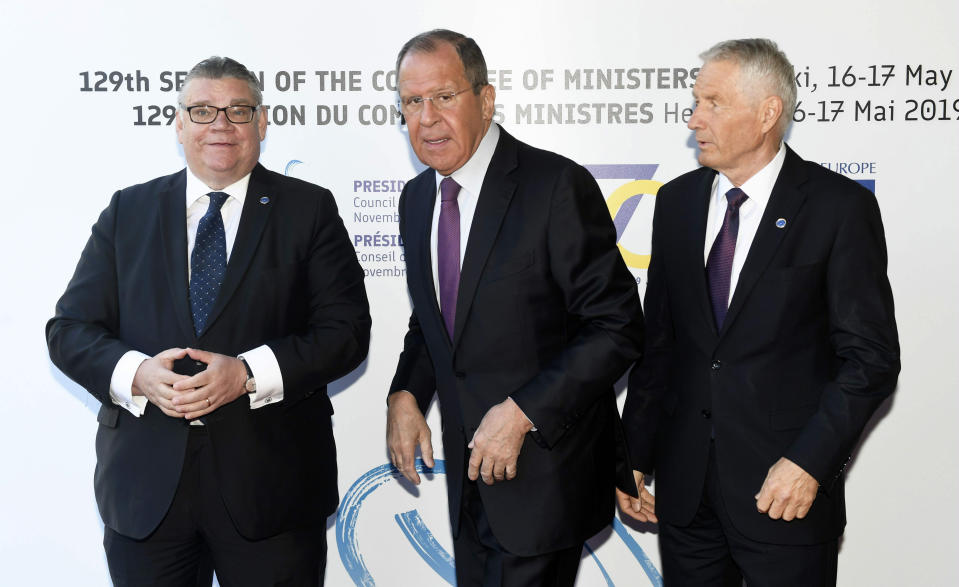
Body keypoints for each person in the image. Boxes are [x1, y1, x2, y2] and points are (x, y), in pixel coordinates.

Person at [46, 56, 370, 586]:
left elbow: (347, 332)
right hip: (146, 492)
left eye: (238, 110)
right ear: (178, 124)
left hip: (272, 493)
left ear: (262, 123)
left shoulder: (308, 210)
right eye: (202, 110)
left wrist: (246, 374)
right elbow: (69, 331)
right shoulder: (127, 211)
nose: (220, 124)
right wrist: (138, 374)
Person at [618, 39, 900, 586]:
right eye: (696, 101)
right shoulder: (676, 203)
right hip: (686, 495)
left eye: (713, 103)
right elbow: (661, 348)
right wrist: (632, 454)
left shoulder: (837, 208)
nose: (694, 117)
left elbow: (871, 360)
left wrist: (810, 462)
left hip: (785, 495)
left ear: (768, 112)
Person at [385, 29, 643, 586]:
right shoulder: (416, 199)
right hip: (468, 482)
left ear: (486, 99)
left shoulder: (554, 186)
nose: (427, 118)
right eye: (412, 101)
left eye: (444, 96)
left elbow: (617, 326)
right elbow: (435, 320)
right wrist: (406, 393)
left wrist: (523, 411)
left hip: (544, 477)